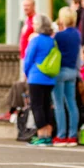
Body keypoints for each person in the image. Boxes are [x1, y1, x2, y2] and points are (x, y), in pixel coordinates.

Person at [24, 13, 56, 146]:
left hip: (36, 77)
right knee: (47, 106)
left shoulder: (36, 40)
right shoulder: (52, 41)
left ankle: (41, 134)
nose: (33, 26)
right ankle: (48, 134)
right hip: (49, 78)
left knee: (36, 106)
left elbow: (28, 59)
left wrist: (26, 73)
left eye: (35, 24)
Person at [52, 7, 81, 147]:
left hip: (60, 71)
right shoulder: (77, 34)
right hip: (72, 71)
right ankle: (73, 136)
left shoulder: (59, 36)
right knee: (72, 103)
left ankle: (61, 135)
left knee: (59, 104)